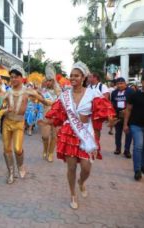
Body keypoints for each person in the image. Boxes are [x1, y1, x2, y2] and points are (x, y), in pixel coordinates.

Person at [42, 61, 115, 209]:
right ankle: (73, 194)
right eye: (71, 75)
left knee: (86, 167)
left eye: (76, 75)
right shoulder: (65, 95)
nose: (73, 78)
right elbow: (58, 113)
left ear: (83, 77)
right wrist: (47, 121)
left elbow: (104, 108)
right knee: (71, 167)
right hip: (70, 133)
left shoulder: (93, 93)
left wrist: (110, 118)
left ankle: (81, 182)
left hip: (85, 133)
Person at [1, 65, 40, 184]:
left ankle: (20, 165)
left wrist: (51, 103)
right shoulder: (7, 92)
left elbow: (41, 99)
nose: (13, 80)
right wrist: (4, 109)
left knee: (17, 149)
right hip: (7, 123)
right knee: (7, 149)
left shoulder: (27, 91)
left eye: (15, 77)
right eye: (11, 77)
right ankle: (11, 173)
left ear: (21, 78)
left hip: (19, 123)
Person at [36, 63, 61, 162]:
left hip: (56, 117)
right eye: (47, 80)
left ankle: (50, 153)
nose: (49, 82)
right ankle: (45, 149)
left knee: (54, 136)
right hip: (45, 116)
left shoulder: (58, 91)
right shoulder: (43, 90)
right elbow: (36, 96)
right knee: (45, 136)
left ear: (54, 81)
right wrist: (40, 87)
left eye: (51, 80)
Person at [111, 77, 134, 158]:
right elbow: (112, 103)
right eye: (118, 84)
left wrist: (127, 110)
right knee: (118, 133)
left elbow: (134, 103)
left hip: (128, 116)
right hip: (118, 116)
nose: (119, 85)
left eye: (121, 83)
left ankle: (127, 151)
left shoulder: (131, 92)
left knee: (128, 133)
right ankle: (118, 148)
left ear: (125, 83)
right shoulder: (114, 92)